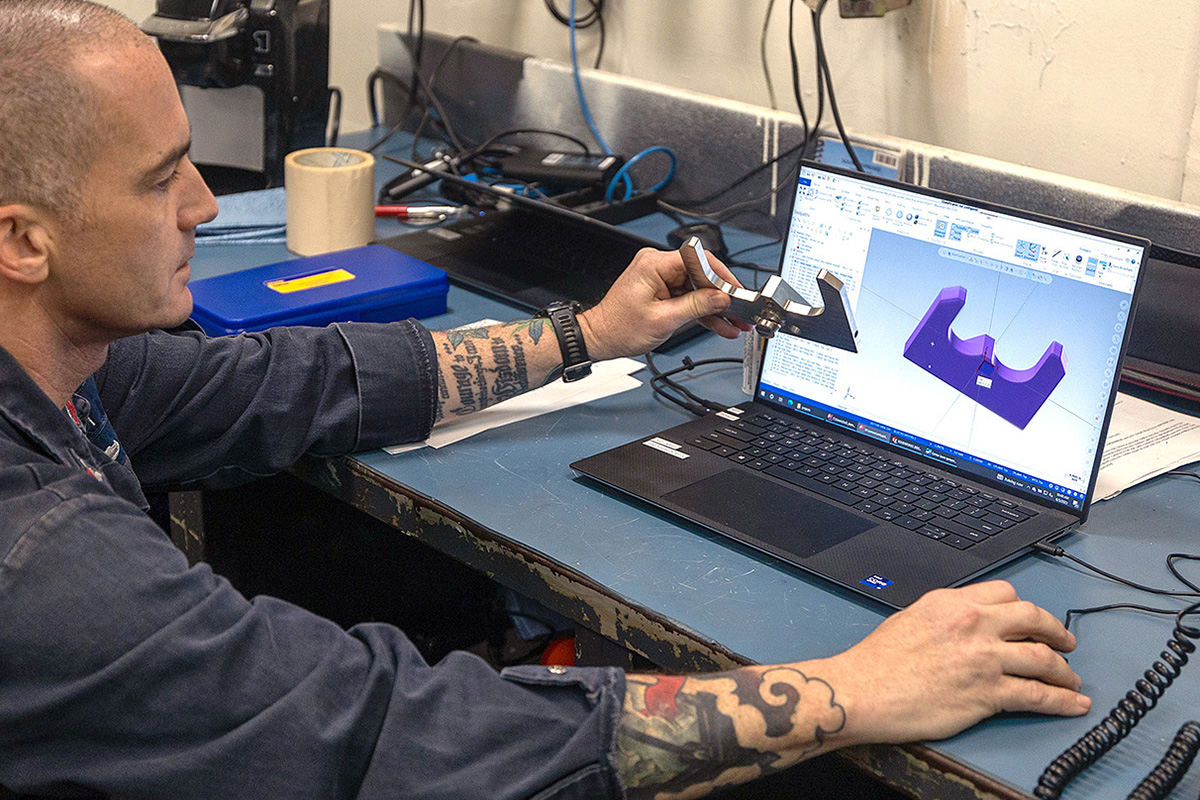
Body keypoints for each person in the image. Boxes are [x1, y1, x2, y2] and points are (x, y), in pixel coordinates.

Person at [0, 2, 1091, 798]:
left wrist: (587, 334)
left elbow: (289, 380)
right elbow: (391, 729)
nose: (201, 202)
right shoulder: (47, 561)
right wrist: (854, 686)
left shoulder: (63, 368)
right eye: (160, 178)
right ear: (22, 239)